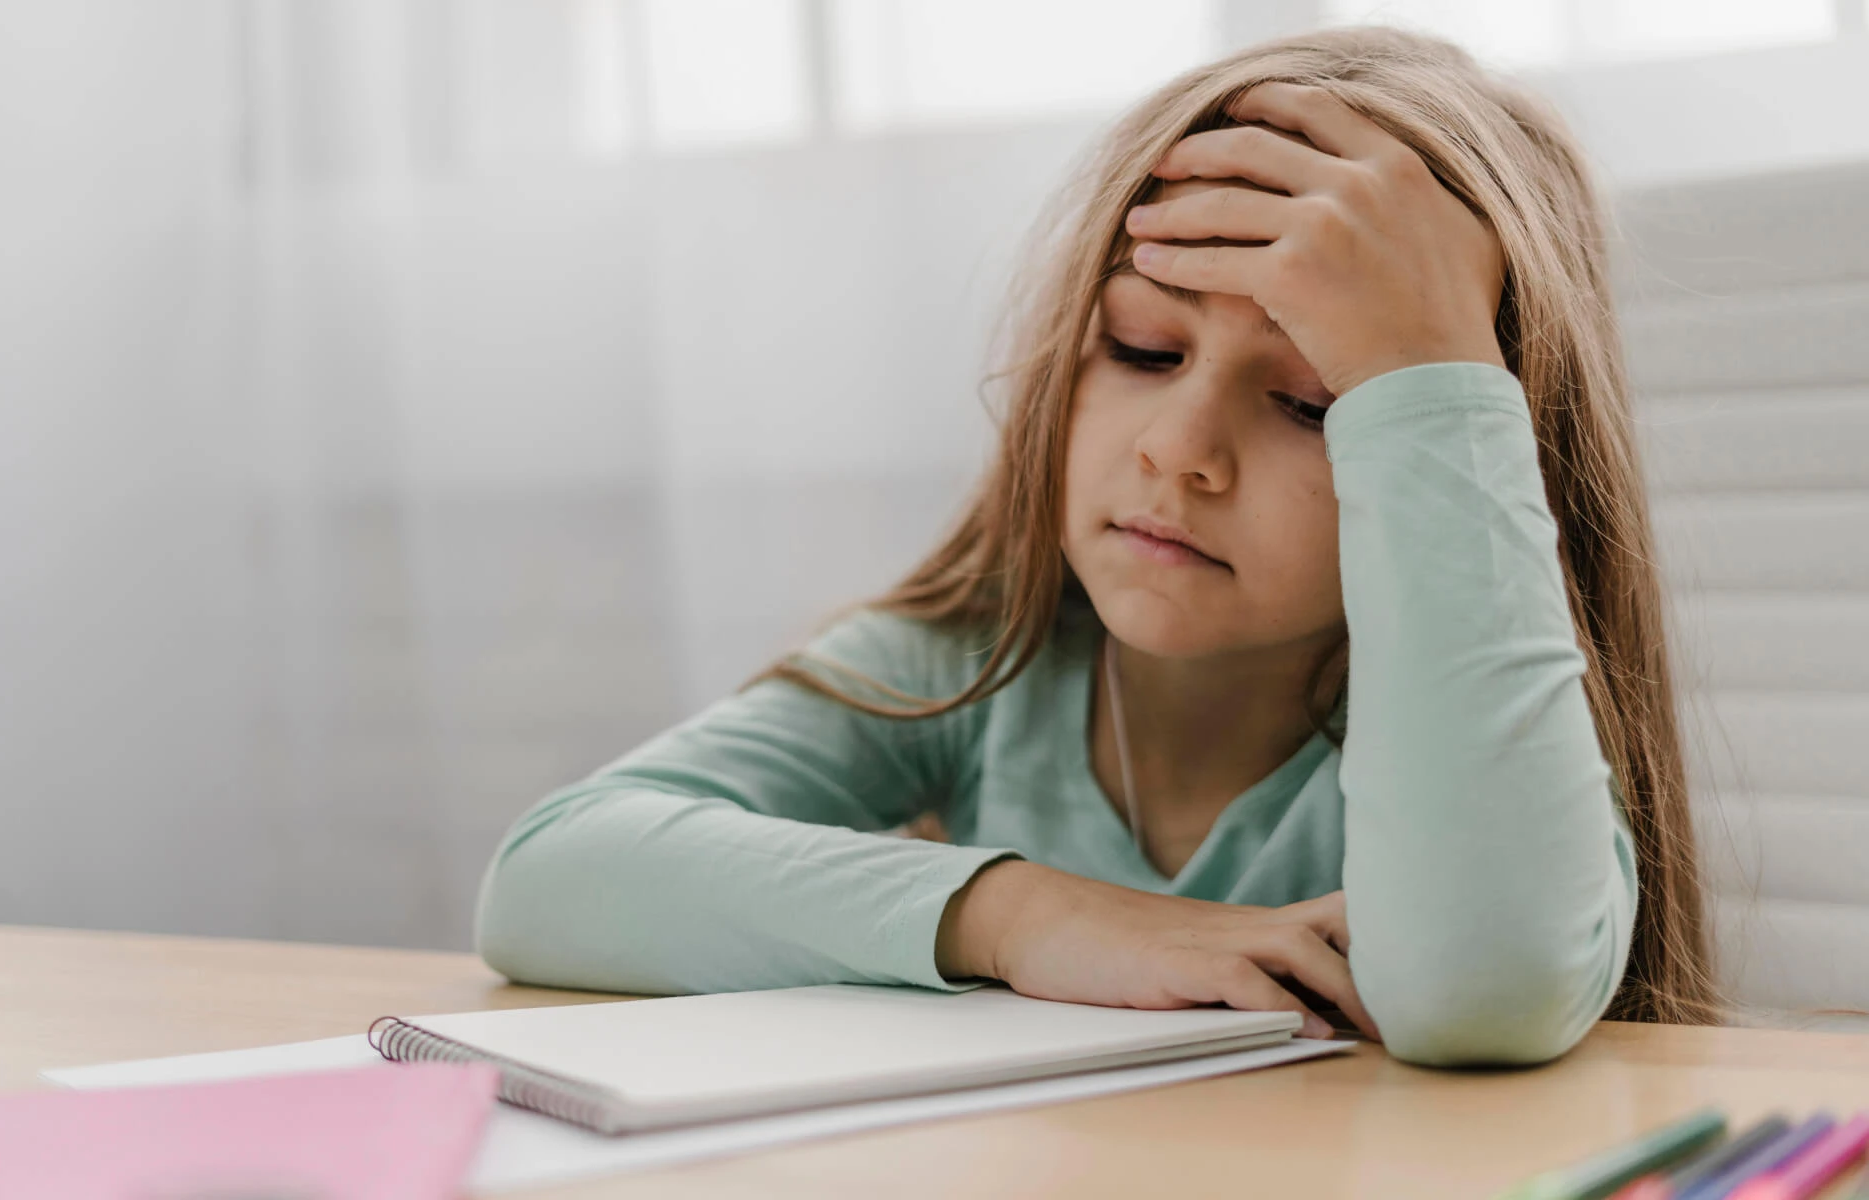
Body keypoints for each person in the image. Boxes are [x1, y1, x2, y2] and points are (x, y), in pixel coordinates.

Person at [474, 25, 1721, 1067]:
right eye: (1141, 350)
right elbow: (549, 879)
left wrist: (1430, 372)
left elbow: (1479, 993)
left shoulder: (1496, 738)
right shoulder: (984, 660)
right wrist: (1023, 914)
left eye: (1313, 404)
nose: (1181, 452)